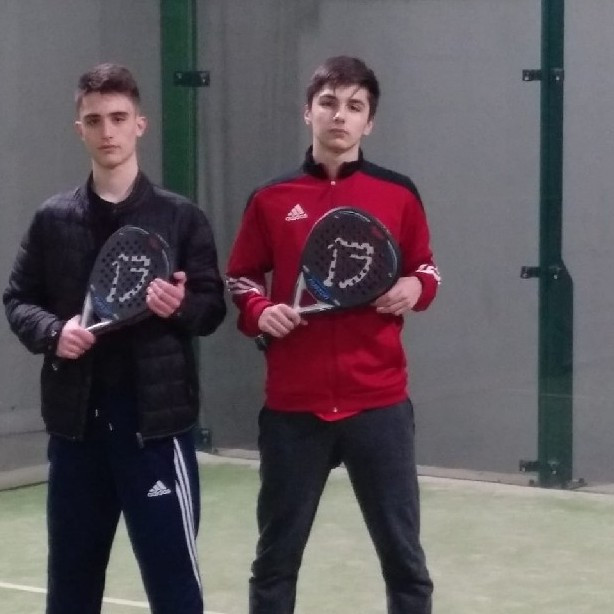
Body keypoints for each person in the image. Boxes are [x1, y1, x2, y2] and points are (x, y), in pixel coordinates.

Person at [3, 63, 226, 614]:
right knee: (70, 592)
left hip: (155, 432)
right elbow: (18, 300)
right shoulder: (52, 220)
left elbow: (211, 308)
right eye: (95, 120)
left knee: (175, 591)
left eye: (119, 118)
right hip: (77, 432)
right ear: (79, 129)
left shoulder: (181, 217)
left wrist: (180, 307)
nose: (108, 131)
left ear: (140, 125)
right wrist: (54, 332)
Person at [226, 56, 440, 613]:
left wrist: (416, 286)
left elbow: (426, 268)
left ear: (369, 122)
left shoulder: (399, 194)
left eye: (354, 106)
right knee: (275, 564)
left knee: (405, 565)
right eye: (328, 103)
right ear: (308, 112)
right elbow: (242, 278)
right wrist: (260, 310)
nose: (340, 116)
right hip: (294, 412)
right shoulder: (270, 198)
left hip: (379, 408)